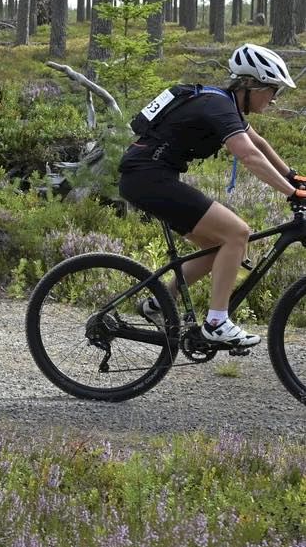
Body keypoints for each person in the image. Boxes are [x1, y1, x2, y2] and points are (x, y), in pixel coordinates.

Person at [118, 43, 306, 349]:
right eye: (273, 90)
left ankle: (158, 303)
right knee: (237, 233)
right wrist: (293, 192)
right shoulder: (216, 105)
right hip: (148, 178)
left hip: (148, 177)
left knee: (217, 245)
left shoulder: (223, 103)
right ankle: (217, 323)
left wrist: (295, 178)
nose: (274, 99)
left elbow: (260, 145)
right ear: (251, 85)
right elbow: (248, 156)